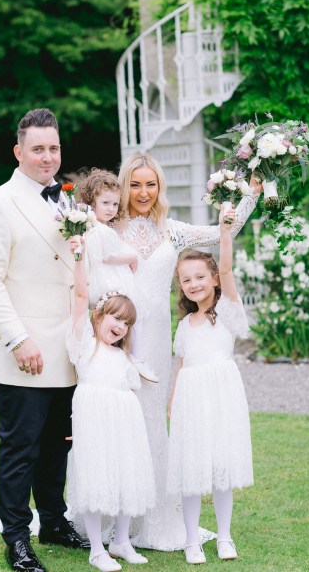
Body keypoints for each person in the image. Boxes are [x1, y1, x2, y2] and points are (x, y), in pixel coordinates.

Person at [109, 152, 262, 550]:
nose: (143, 192)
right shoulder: (107, 226)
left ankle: (157, 517)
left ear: (160, 187)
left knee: (154, 421)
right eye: (136, 184)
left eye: (151, 184)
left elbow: (224, 231)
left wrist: (251, 194)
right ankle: (115, 518)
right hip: (118, 334)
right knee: (119, 417)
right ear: (125, 186)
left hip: (159, 336)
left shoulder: (172, 231)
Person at [0, 108, 89, 572]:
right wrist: (18, 339)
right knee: (21, 448)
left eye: (54, 148)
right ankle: (16, 539)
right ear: (19, 151)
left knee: (60, 443)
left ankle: (55, 523)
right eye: (38, 149)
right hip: (28, 352)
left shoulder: (66, 200)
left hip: (69, 349)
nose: (47, 157)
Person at [167, 206, 253, 565]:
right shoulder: (186, 323)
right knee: (191, 470)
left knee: (221, 468)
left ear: (214, 279)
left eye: (200, 276)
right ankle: (190, 540)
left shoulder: (229, 311)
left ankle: (225, 536)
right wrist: (172, 401)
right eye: (187, 280)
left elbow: (229, 267)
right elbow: (182, 362)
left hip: (221, 396)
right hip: (190, 398)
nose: (194, 284)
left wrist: (224, 232)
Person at [67, 235, 155, 572]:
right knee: (96, 478)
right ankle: (95, 548)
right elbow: (78, 296)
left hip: (125, 422)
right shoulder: (85, 344)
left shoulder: (124, 357)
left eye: (126, 323)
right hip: (94, 420)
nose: (119, 326)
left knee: (126, 477)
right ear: (99, 314)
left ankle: (121, 540)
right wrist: (79, 257)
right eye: (115, 317)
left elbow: (132, 390)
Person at [80, 168, 158, 383]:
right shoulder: (100, 230)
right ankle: (136, 358)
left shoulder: (95, 227)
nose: (111, 208)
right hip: (110, 280)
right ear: (91, 201)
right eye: (105, 203)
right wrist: (131, 257)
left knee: (129, 319)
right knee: (136, 315)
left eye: (115, 204)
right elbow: (106, 256)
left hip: (108, 278)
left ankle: (130, 358)